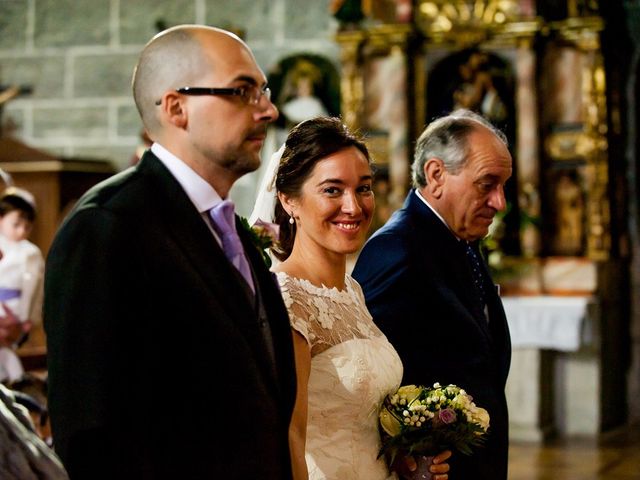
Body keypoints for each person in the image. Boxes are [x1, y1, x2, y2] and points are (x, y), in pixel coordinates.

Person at [44, 25, 296, 479]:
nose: (269, 110)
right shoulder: (108, 227)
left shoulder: (227, 229)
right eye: (243, 91)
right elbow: (93, 434)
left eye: (264, 91)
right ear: (176, 107)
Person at [251, 116, 451, 479]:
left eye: (363, 188)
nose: (354, 207)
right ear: (288, 200)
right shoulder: (285, 300)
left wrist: (402, 463)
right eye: (332, 190)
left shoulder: (351, 291)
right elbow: (287, 437)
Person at [353, 109, 512, 480]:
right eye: (487, 184)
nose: (500, 202)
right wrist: (405, 456)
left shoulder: (463, 239)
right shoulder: (396, 250)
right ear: (436, 175)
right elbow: (366, 372)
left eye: (503, 186)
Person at [0, 187, 43, 383]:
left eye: (27, 226)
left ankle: (17, 382)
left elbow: (34, 288)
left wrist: (28, 318)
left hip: (15, 309)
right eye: (16, 224)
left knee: (6, 348)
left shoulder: (30, 252)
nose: (21, 231)